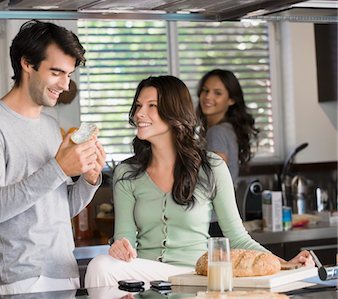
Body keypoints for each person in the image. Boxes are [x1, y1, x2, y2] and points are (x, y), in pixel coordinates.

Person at [84, 75, 313, 288]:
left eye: (151, 106)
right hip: (146, 273)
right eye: (138, 106)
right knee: (101, 265)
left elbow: (237, 236)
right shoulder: (126, 172)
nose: (139, 114)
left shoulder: (210, 167)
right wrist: (120, 246)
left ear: (174, 112)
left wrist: (284, 264)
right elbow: (124, 236)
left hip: (196, 275)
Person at [0, 20, 106, 295]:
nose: (65, 85)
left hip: (64, 271)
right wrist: (58, 168)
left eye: (68, 74)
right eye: (56, 72)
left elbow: (58, 210)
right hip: (24, 279)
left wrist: (89, 180)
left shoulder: (51, 126)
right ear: (27, 63)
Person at [196, 69, 259, 184]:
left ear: (231, 100)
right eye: (205, 90)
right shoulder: (227, 129)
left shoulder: (217, 132)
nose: (208, 97)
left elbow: (215, 181)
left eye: (217, 93)